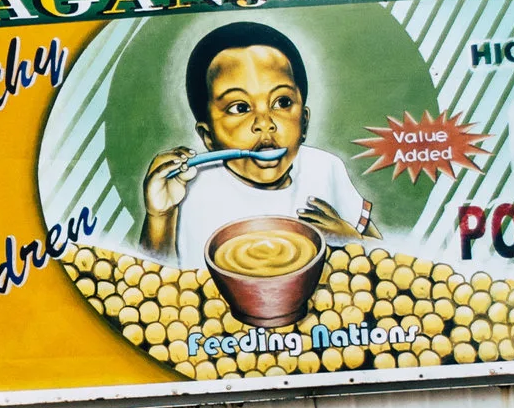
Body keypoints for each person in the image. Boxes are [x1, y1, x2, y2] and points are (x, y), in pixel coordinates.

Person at [142, 21, 373, 266]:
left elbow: (390, 261)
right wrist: (160, 215)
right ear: (207, 137)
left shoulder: (325, 168)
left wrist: (353, 241)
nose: (264, 123)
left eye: (282, 102)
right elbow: (154, 287)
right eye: (239, 108)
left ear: (304, 122)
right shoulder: (188, 189)